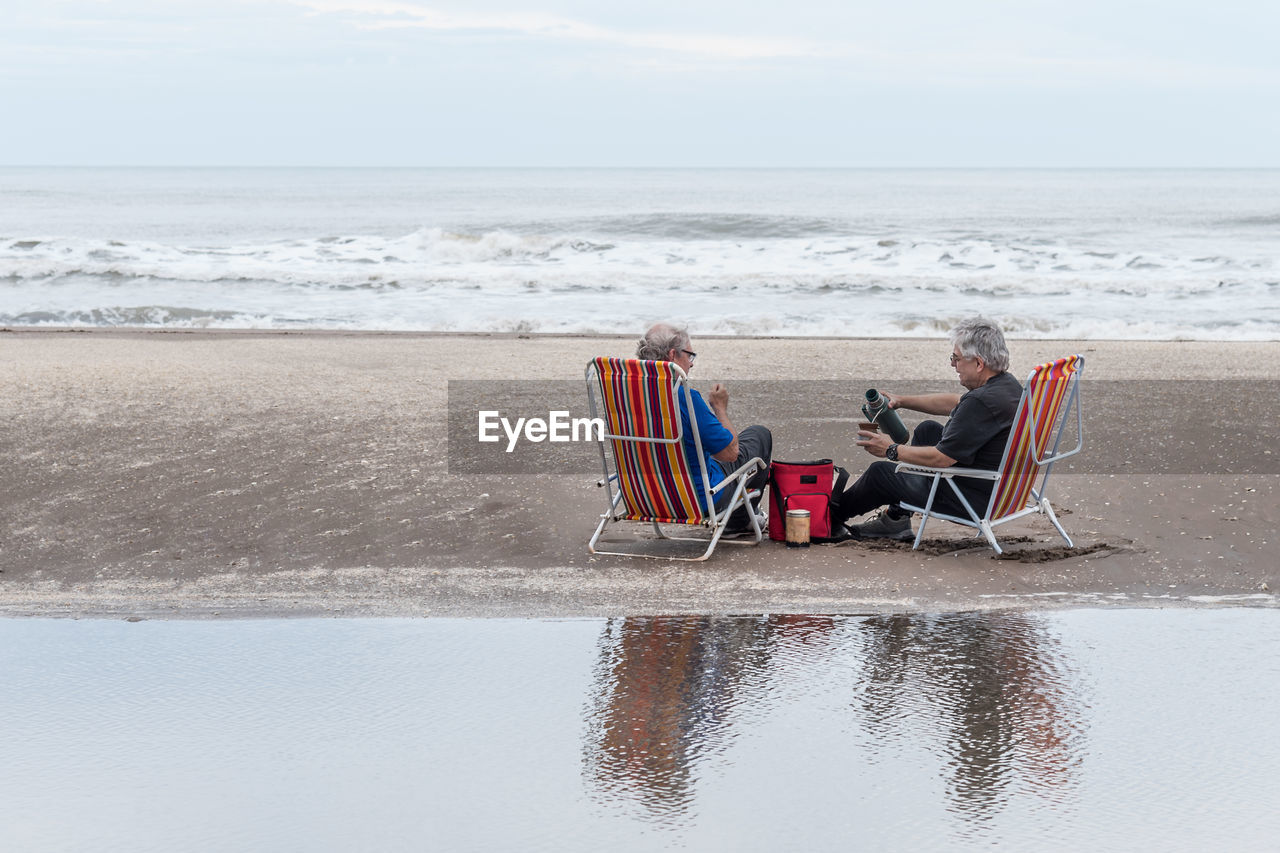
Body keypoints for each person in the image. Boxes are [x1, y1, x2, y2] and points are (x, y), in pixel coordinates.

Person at [833, 316, 1023, 541]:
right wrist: (902, 400)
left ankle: (828, 518)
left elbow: (941, 460)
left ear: (979, 363)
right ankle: (897, 519)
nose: (953, 364)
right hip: (1002, 491)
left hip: (972, 499)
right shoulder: (1007, 386)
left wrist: (890, 449)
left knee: (880, 474)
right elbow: (957, 403)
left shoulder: (981, 401)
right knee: (927, 430)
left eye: (956, 358)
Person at [636, 323, 772, 533]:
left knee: (703, 448)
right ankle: (739, 522)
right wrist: (720, 409)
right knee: (759, 436)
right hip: (696, 499)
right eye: (690, 356)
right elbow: (730, 453)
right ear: (673, 355)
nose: (691, 364)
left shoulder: (625, 399)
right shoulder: (683, 398)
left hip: (644, 497)